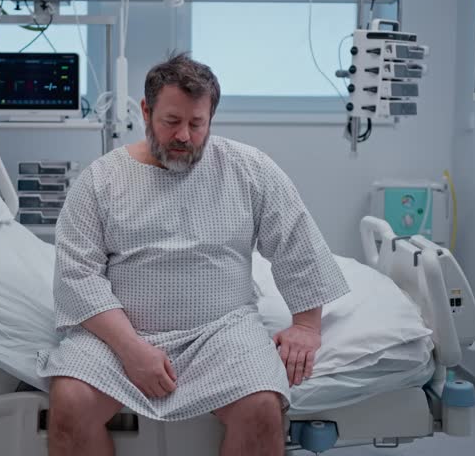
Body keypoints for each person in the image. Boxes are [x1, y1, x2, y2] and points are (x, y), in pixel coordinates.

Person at [37, 53, 349, 456]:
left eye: (196, 124)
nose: (184, 135)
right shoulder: (101, 180)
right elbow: (77, 276)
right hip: (120, 336)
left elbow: (297, 242)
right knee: (71, 405)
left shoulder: (248, 169)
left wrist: (306, 326)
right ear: (146, 112)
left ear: (210, 119)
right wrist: (132, 350)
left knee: (262, 410)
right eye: (171, 122)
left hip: (221, 331)